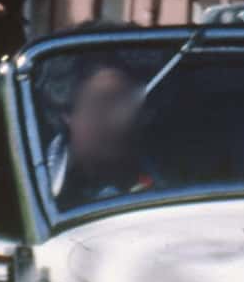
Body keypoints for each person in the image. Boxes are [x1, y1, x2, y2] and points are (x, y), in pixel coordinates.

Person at [39, 55, 158, 208]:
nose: (122, 119)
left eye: (129, 104)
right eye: (103, 104)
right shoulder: (37, 184)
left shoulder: (168, 176)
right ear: (67, 112)